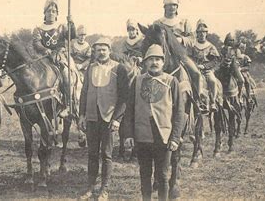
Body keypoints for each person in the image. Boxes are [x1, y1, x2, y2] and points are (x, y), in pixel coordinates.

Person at [123, 44, 184, 201]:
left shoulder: (172, 81)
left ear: (163, 63)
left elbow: (179, 113)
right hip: (142, 135)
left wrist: (175, 138)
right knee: (144, 173)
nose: (154, 63)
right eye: (151, 60)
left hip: (163, 136)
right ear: (145, 63)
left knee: (163, 175)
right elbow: (129, 110)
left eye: (158, 59)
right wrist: (128, 134)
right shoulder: (137, 81)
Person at [79, 37, 129, 200]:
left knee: (106, 155)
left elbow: (124, 97)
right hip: (92, 117)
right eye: (98, 49)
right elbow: (84, 93)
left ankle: (104, 189)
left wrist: (117, 119)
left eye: (104, 49)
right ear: (94, 52)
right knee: (92, 153)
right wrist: (82, 115)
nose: (101, 52)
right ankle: (90, 187)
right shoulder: (90, 68)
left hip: (109, 118)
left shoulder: (118, 68)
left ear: (109, 50)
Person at [154, 0, 208, 112]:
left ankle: (199, 101)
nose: (172, 8)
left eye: (174, 5)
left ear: (177, 6)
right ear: (164, 6)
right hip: (162, 56)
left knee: (196, 73)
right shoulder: (158, 23)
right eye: (169, 5)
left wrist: (181, 40)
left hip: (181, 56)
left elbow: (192, 39)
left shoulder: (184, 22)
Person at [33, 0, 77, 118]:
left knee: (67, 76)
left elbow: (72, 35)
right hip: (44, 57)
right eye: (49, 11)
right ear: (44, 13)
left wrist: (71, 23)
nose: (51, 13)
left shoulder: (62, 26)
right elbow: (36, 43)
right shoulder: (38, 28)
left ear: (57, 13)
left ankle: (68, 105)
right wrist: (45, 50)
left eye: (54, 11)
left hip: (60, 55)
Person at [188, 19, 221, 112]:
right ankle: (198, 101)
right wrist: (195, 65)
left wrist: (205, 66)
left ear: (206, 33)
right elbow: (189, 57)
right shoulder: (192, 45)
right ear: (197, 33)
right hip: (194, 69)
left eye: (204, 32)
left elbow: (215, 60)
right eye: (199, 32)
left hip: (206, 70)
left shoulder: (210, 46)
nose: (202, 34)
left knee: (213, 81)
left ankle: (213, 102)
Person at [220, 33, 245, 99]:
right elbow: (220, 57)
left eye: (232, 40)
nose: (231, 42)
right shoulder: (223, 49)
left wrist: (236, 61)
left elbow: (239, 59)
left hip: (234, 66)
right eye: (229, 40)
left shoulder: (237, 50)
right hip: (224, 66)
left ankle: (239, 95)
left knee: (241, 80)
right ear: (226, 40)